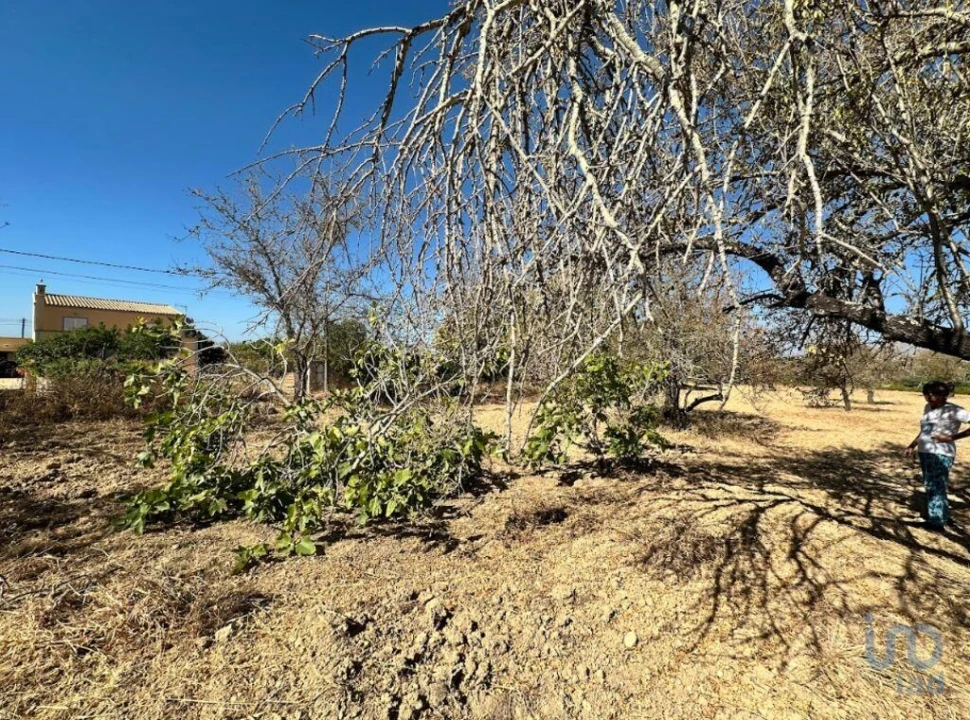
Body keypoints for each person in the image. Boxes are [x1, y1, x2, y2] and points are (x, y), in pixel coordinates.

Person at [904, 381, 970, 530]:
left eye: (935, 394)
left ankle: (935, 522)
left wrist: (951, 438)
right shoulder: (927, 408)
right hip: (925, 451)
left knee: (935, 485)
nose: (930, 397)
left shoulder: (954, 410)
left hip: (942, 453)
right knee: (932, 485)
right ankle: (943, 516)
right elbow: (925, 430)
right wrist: (912, 445)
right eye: (927, 394)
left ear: (944, 395)